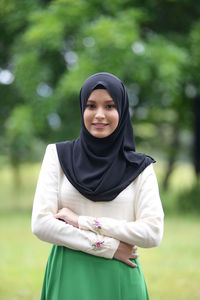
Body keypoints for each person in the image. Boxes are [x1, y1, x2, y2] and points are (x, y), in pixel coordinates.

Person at [32, 72, 164, 300]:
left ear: (121, 112)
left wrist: (82, 222)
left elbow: (152, 233)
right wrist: (109, 247)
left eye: (110, 106)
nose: (99, 115)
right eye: (91, 106)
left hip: (121, 276)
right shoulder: (58, 155)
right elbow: (41, 225)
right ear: (82, 109)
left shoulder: (140, 168)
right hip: (70, 273)